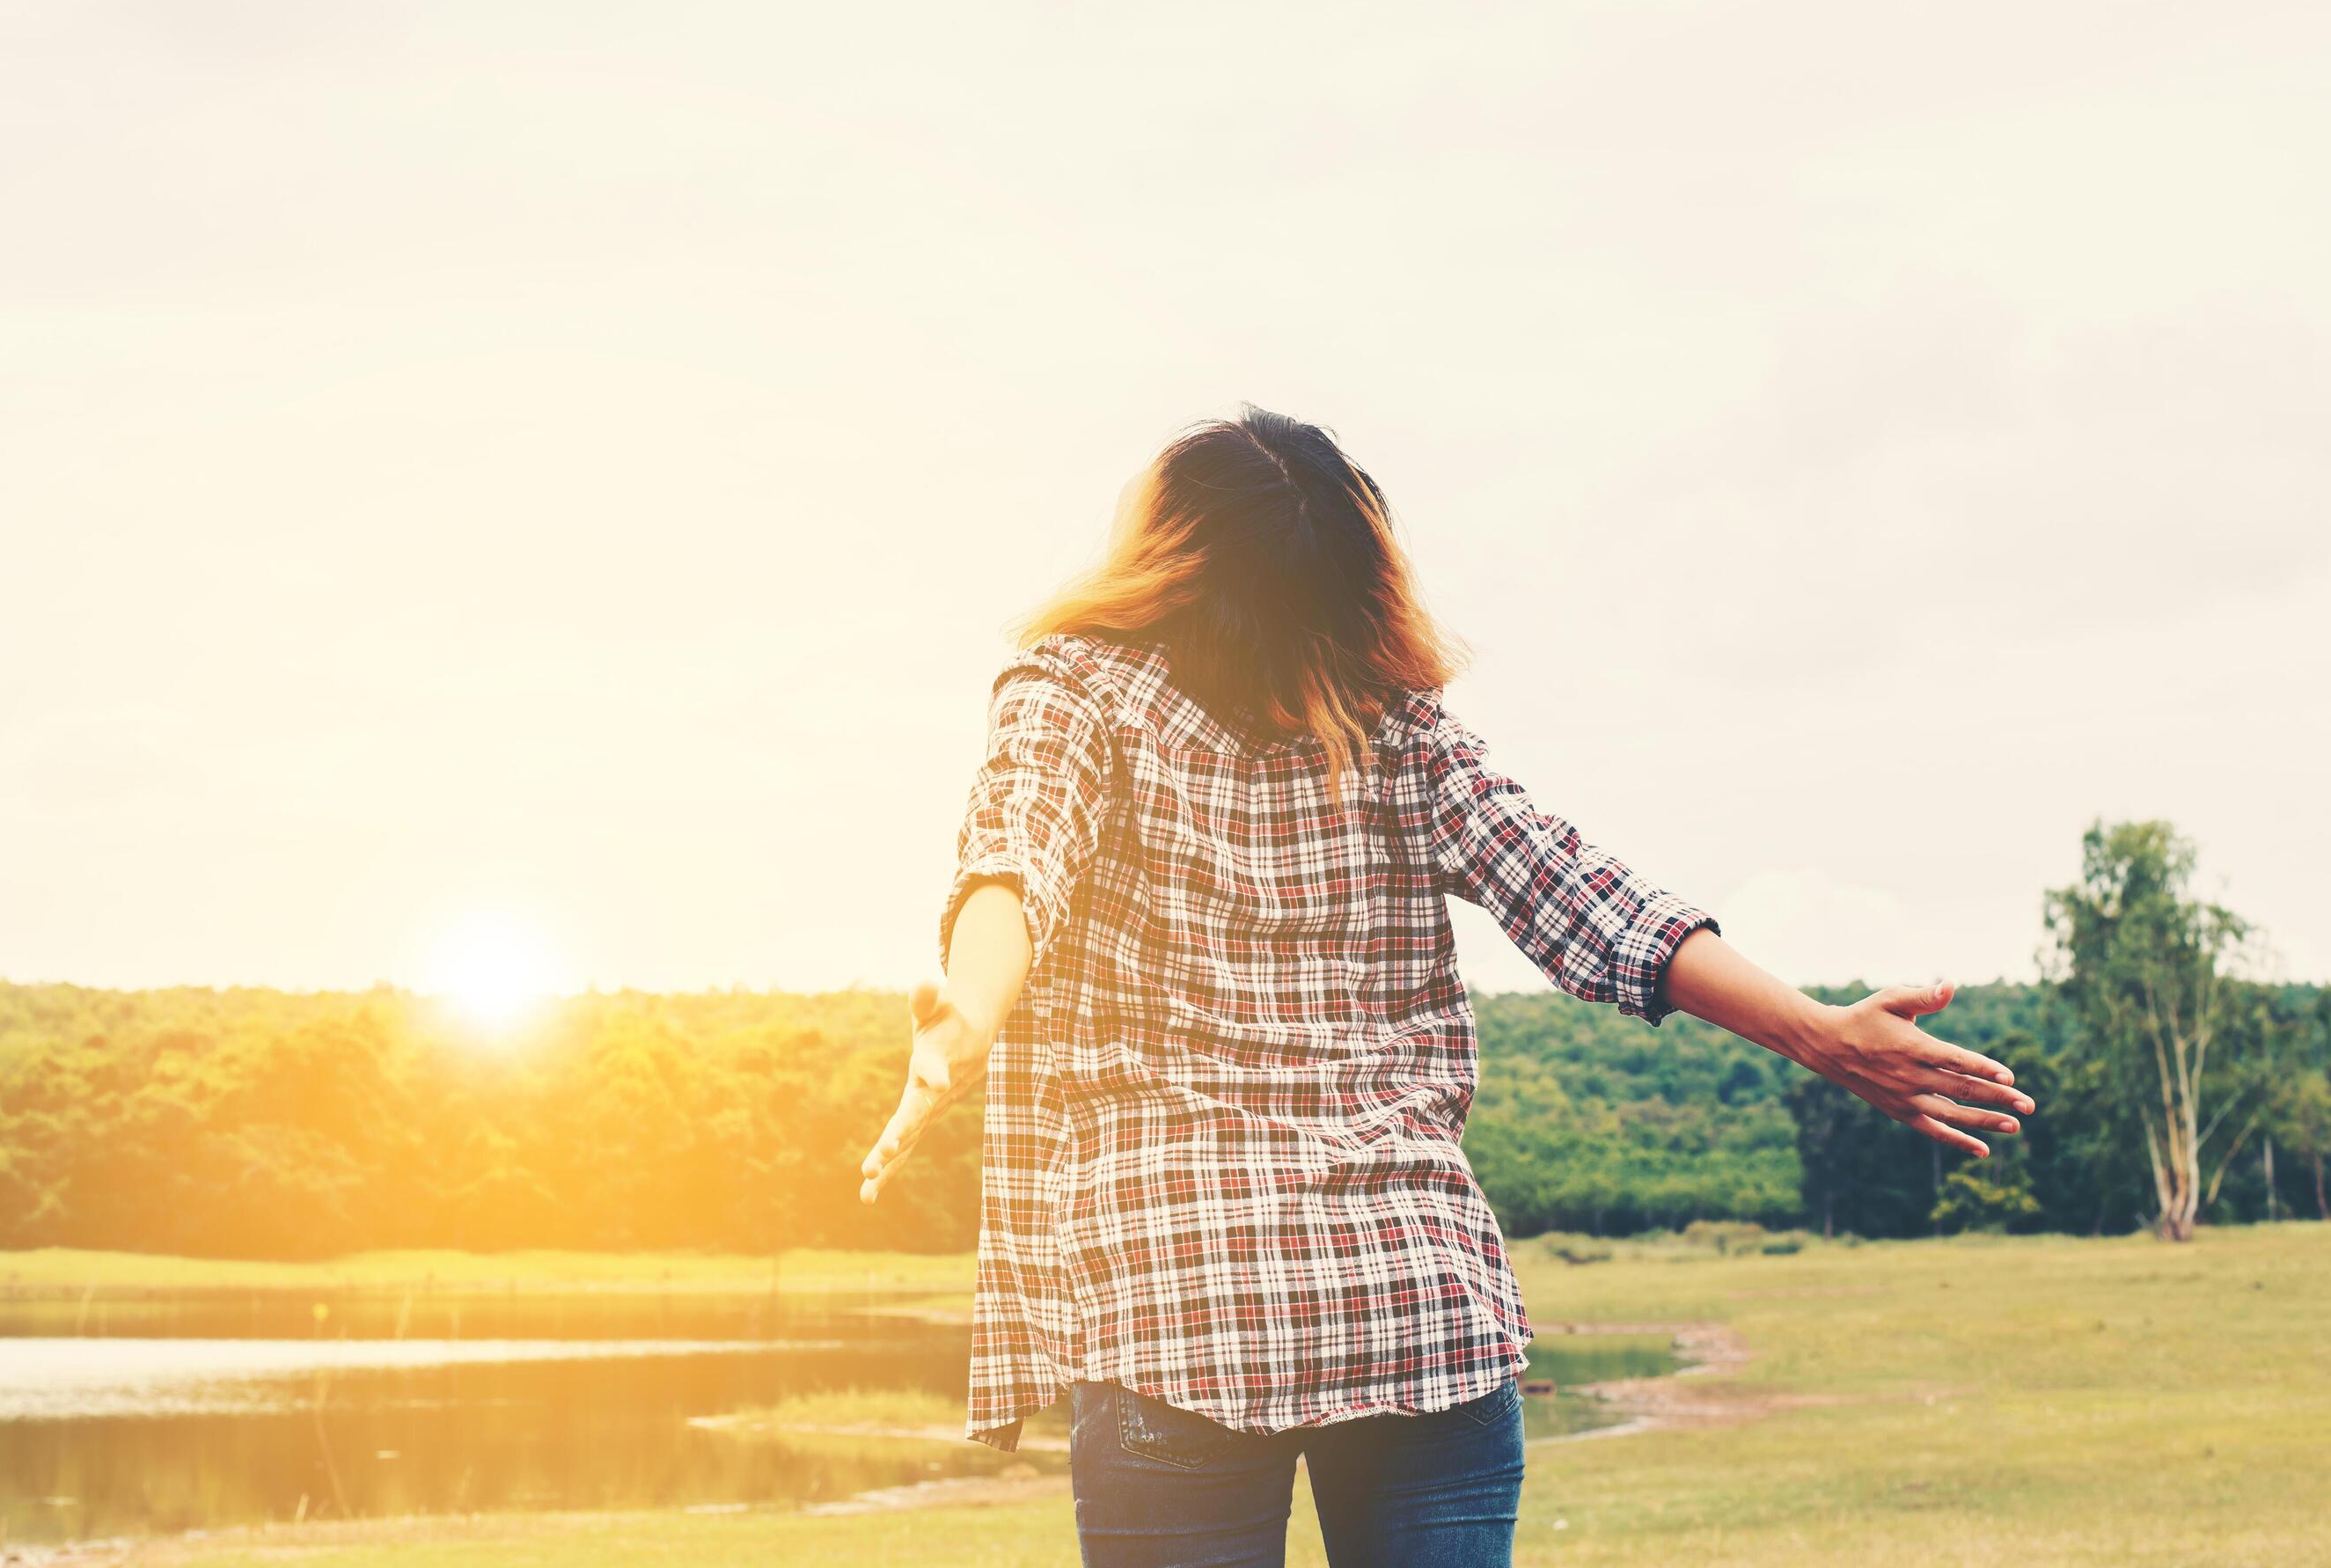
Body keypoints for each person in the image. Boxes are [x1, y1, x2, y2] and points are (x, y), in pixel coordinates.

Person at [858, 407, 2034, 1567]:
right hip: (1414, 1302)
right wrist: (1814, 1029)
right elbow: (1576, 891)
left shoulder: (1077, 691)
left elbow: (1015, 858)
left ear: (1163, 552)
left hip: (1182, 1312)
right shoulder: (1394, 728)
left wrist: (967, 1016)